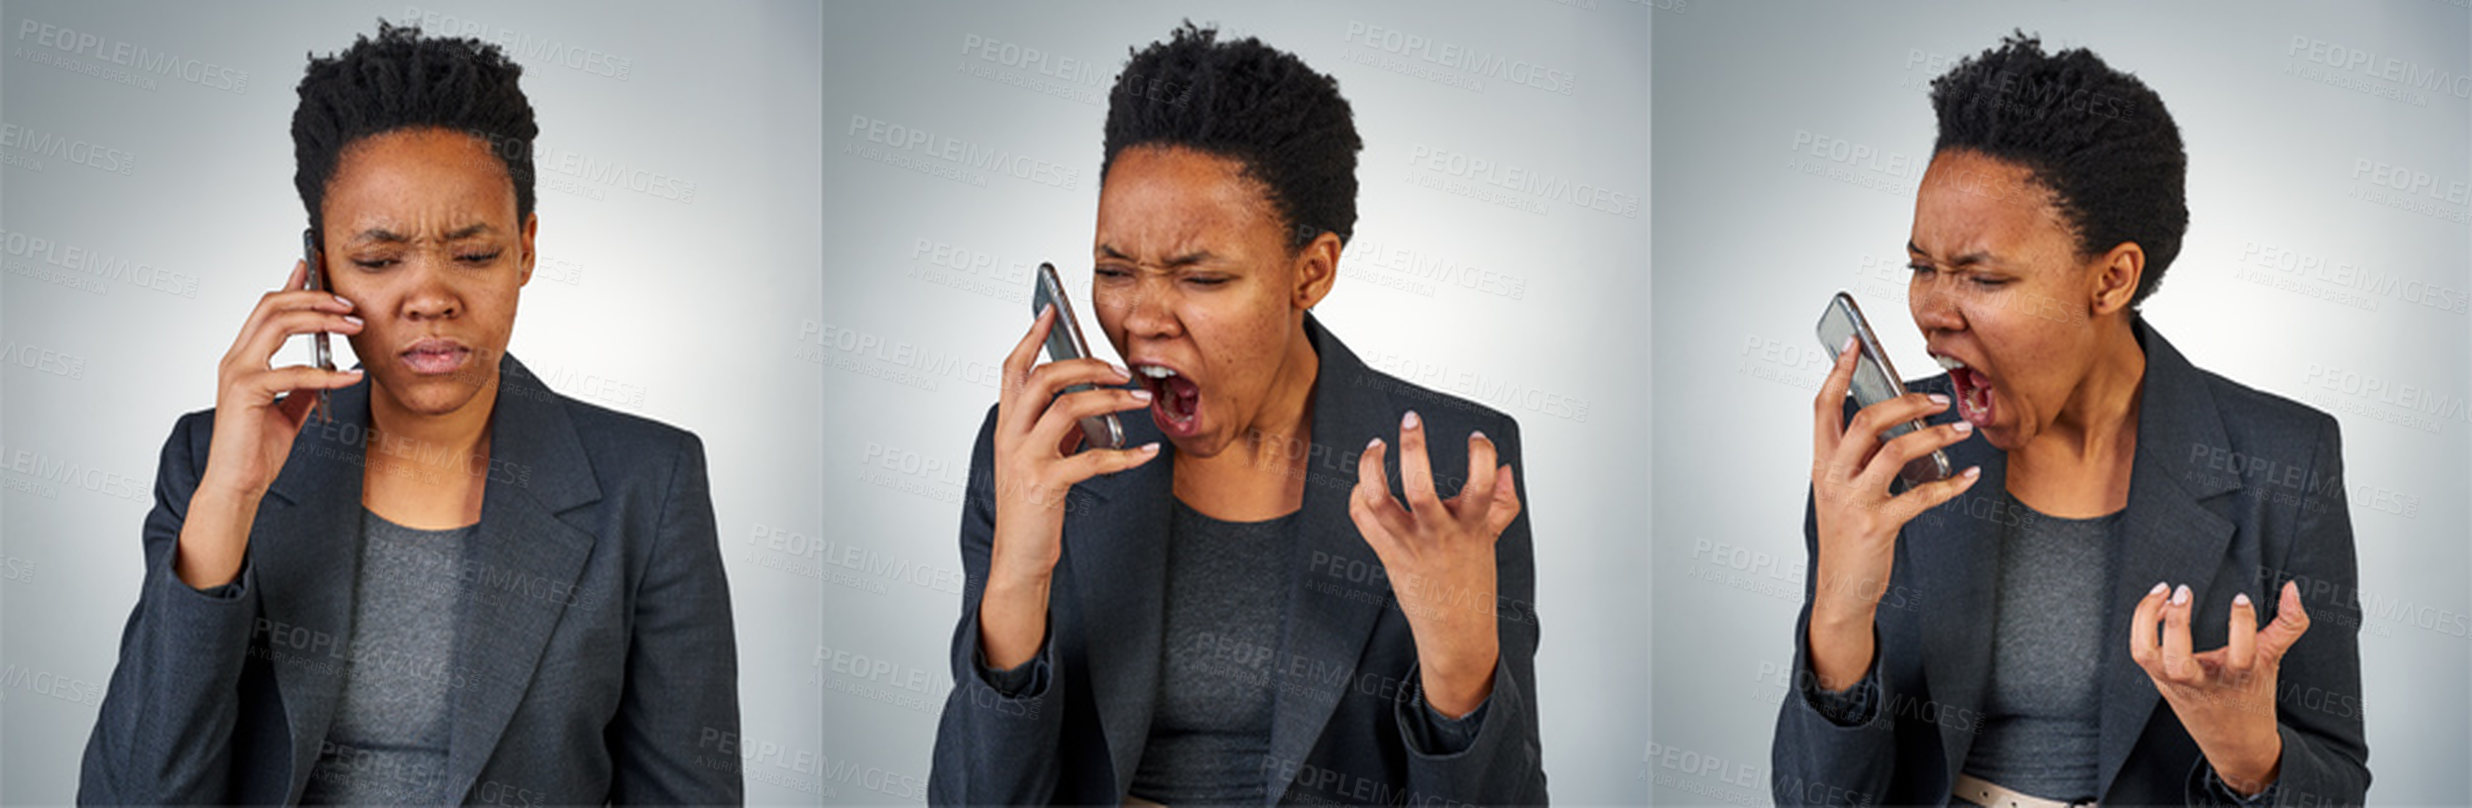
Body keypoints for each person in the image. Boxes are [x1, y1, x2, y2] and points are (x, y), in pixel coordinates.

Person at [78, 22, 740, 805]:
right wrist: (228, 501)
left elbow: (687, 792)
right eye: (379, 260)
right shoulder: (210, 458)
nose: (431, 297)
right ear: (317, 264)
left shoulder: (648, 483)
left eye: (474, 253)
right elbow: (131, 792)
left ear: (526, 248)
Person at [929, 23, 1547, 806]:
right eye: (1114, 269)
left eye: (1204, 279)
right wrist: (1018, 572)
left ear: (1312, 271)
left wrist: (1459, 659)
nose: (1143, 318)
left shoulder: (1451, 467)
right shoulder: (1040, 452)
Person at [1771, 34, 2367, 807]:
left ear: (2112, 278)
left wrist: (2249, 755)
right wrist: (1841, 613)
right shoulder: (1887, 451)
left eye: (1981, 276)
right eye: (1922, 267)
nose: (1930, 315)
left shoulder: (2286, 461)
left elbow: (2338, 786)